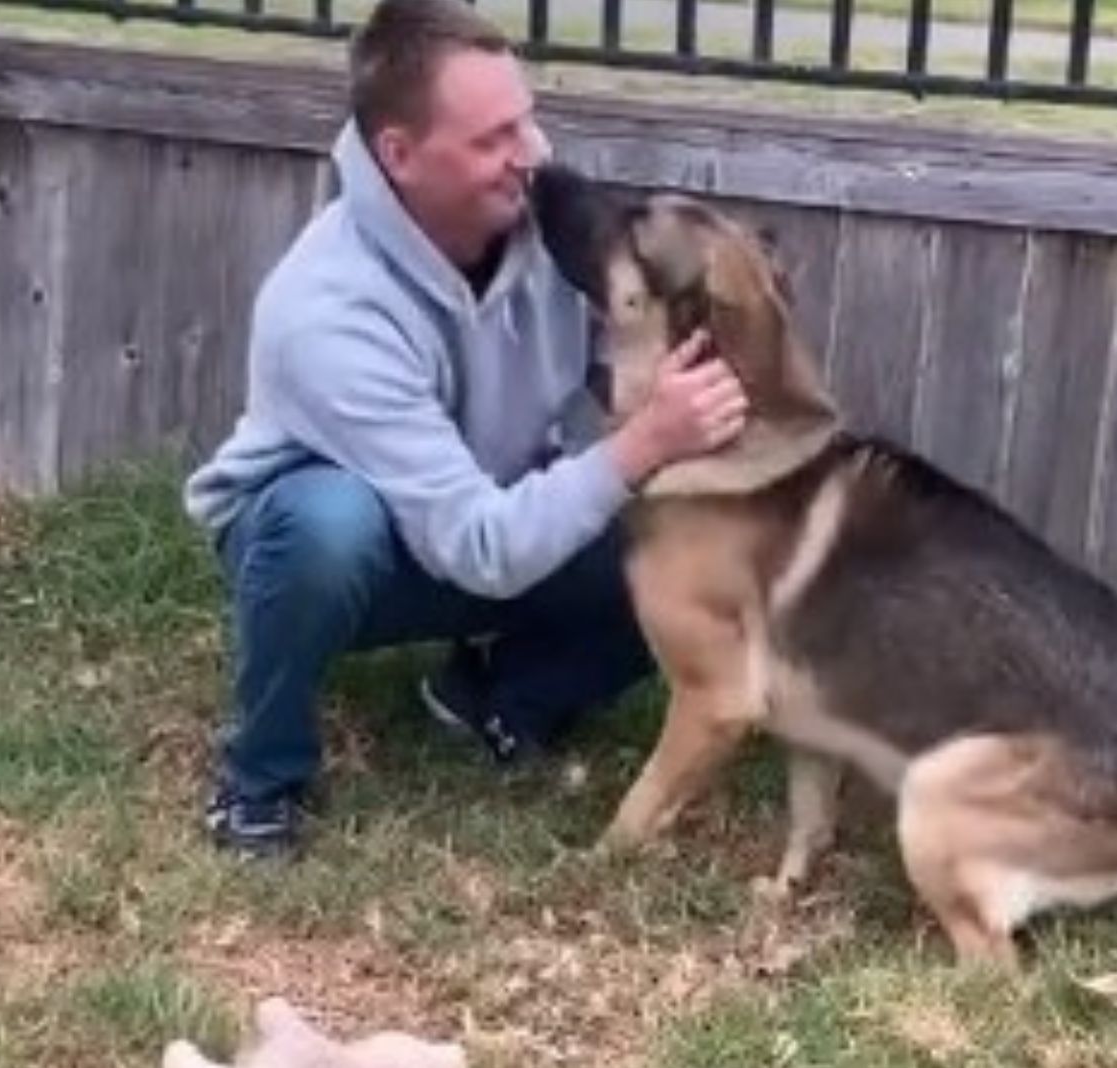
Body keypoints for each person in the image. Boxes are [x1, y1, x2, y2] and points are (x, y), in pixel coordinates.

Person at [182, 0, 748, 859]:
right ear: (399, 156)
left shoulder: (547, 225)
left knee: (675, 552)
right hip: (341, 547)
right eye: (492, 139)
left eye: (526, 119)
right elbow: (479, 547)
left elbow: (621, 377)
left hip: (484, 508)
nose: (529, 153)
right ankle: (263, 778)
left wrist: (681, 391)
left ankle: (497, 698)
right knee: (326, 528)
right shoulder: (328, 309)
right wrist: (642, 445)